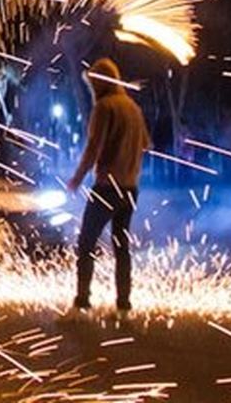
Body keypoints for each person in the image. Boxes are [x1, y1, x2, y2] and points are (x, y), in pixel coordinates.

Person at [60, 58, 151, 321]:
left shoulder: (104, 106)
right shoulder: (133, 107)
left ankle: (81, 305)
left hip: (107, 187)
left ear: (100, 82)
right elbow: (146, 144)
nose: (91, 88)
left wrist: (77, 177)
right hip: (130, 188)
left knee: (86, 244)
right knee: (121, 247)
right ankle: (123, 307)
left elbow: (93, 148)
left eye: (92, 83)